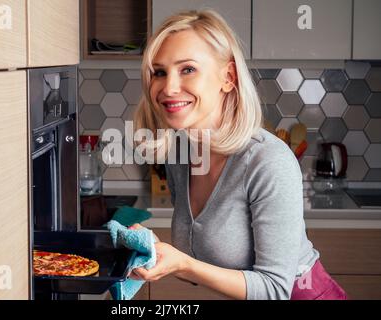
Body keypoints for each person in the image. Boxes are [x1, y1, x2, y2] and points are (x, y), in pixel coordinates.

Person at [129, 9, 348, 300]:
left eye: (188, 69)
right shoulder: (180, 156)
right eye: (159, 72)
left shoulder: (267, 161)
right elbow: (206, 262)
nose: (168, 87)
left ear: (228, 77)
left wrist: (183, 263)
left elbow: (274, 289)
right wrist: (157, 254)